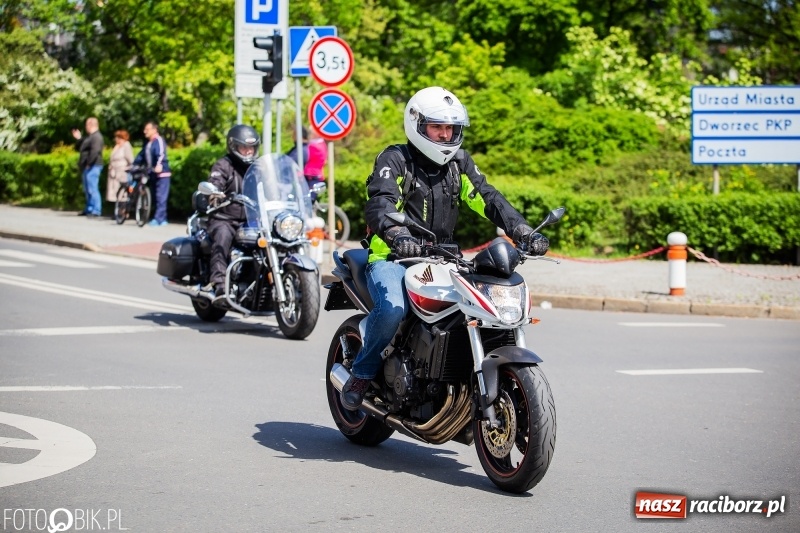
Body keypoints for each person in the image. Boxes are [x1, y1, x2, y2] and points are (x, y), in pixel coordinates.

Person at [340, 86, 550, 411]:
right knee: (394, 307)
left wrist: (521, 230)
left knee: (474, 307)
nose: (445, 134)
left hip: (443, 258)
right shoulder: (395, 159)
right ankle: (362, 374)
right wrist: (396, 234)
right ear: (418, 125)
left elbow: (488, 198)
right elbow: (380, 201)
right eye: (437, 127)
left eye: (450, 128)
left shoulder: (459, 164)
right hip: (394, 256)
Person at [203, 124, 261, 301]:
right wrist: (215, 193)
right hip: (225, 218)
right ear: (233, 146)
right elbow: (215, 182)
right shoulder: (223, 165)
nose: (248, 151)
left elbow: (269, 184)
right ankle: (219, 283)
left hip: (250, 220)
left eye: (251, 147)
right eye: (244, 147)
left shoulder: (257, 168)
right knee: (223, 235)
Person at [133, 121, 171, 226]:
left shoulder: (158, 141)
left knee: (161, 197)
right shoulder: (148, 143)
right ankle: (161, 218)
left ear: (154, 130)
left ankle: (160, 219)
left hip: (162, 173)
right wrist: (134, 165)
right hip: (152, 173)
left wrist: (160, 165)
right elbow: (141, 156)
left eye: (147, 129)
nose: (145, 132)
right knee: (155, 196)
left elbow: (161, 154)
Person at [71, 117, 105, 218]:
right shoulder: (90, 137)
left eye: (86, 125)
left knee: (92, 188)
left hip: (93, 165)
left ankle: (96, 210)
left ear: (90, 125)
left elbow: (95, 151)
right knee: (87, 189)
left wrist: (89, 163)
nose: (86, 127)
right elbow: (80, 147)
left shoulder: (97, 137)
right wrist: (79, 139)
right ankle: (89, 208)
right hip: (88, 166)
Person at [287, 126, 327, 191]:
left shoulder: (315, 146)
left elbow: (303, 157)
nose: (309, 135)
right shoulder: (318, 144)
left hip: (311, 176)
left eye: (311, 133)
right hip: (309, 176)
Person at [106, 130, 134, 204]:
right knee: (115, 193)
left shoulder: (126, 146)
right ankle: (118, 210)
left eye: (118, 137)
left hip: (122, 172)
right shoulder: (117, 146)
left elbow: (131, 160)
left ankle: (124, 212)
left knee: (122, 193)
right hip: (114, 173)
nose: (116, 139)